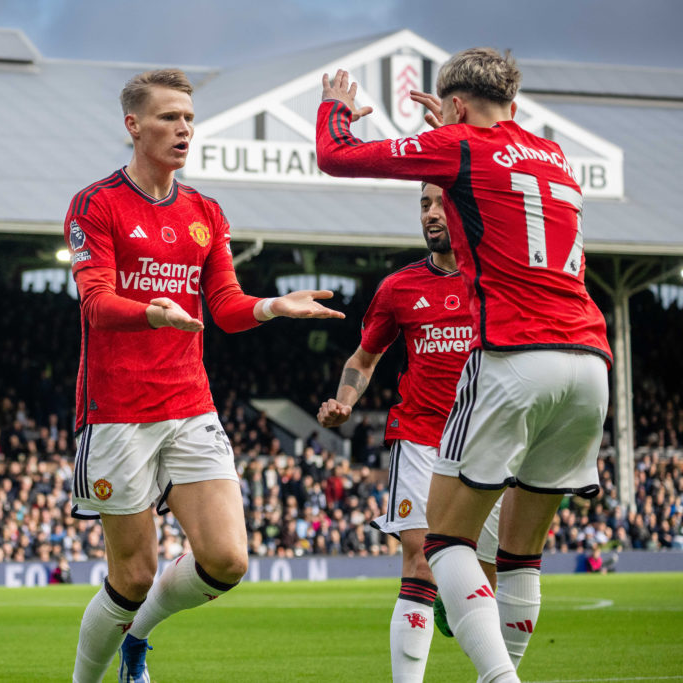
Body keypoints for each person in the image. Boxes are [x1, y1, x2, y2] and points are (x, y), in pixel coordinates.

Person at [316, 48, 611, 683]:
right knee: (518, 557)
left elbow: (335, 157)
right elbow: (495, 186)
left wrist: (335, 110)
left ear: (455, 106)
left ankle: (500, 679)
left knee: (443, 543)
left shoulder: (461, 148)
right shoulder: (554, 156)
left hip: (515, 354)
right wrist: (441, 136)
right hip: (590, 361)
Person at [65, 68, 345, 683]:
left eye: (189, 118)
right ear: (134, 125)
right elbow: (94, 303)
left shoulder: (205, 211)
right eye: (169, 117)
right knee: (133, 575)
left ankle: (137, 638)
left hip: (190, 405)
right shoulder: (97, 203)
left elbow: (225, 305)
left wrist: (273, 306)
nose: (183, 128)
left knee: (226, 559)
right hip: (117, 413)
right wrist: (152, 311)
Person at [318, 182, 501, 681]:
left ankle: (457, 598)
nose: (432, 214)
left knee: (489, 572)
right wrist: (345, 402)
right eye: (424, 204)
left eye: (442, 203)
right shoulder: (399, 287)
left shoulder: (497, 278)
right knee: (420, 561)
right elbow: (364, 358)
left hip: (486, 438)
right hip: (419, 434)